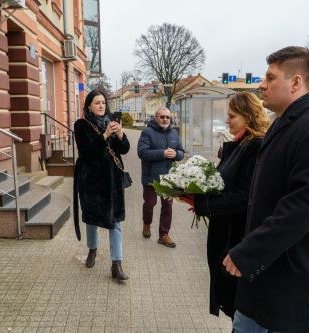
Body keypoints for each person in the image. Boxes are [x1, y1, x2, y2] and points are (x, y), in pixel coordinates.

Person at [222, 46, 309, 332]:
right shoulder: (288, 123)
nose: (262, 84)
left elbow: (300, 208)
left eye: (270, 77)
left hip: (307, 279)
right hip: (277, 272)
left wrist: (248, 252)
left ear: (296, 82)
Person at [180, 92, 269, 319]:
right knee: (233, 305)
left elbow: (243, 197)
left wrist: (204, 203)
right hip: (228, 233)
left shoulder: (254, 146)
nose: (227, 120)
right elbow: (223, 185)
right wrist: (198, 197)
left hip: (236, 237)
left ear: (248, 116)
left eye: (232, 116)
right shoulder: (239, 145)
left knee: (237, 306)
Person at [73, 89, 130, 281]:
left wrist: (121, 134)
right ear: (89, 105)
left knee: (116, 221)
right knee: (91, 219)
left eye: (103, 103)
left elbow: (124, 150)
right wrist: (104, 135)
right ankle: (92, 250)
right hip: (91, 181)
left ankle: (117, 264)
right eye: (97, 103)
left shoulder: (111, 123)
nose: (101, 106)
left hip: (112, 181)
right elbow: (86, 153)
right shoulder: (81, 125)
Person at [137, 106, 184, 248]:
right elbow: (142, 153)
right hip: (151, 177)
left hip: (168, 178)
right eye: (162, 117)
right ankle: (147, 224)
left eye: (167, 117)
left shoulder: (174, 133)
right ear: (156, 118)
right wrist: (162, 153)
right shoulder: (147, 132)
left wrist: (176, 155)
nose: (165, 119)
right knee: (150, 204)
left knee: (167, 206)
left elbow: (181, 152)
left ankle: (164, 235)